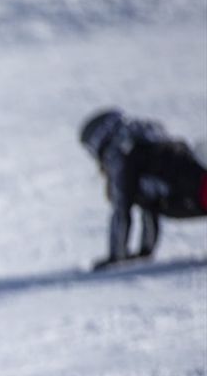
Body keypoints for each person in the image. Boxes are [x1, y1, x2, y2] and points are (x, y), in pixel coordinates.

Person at [79, 108, 207, 271]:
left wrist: (116, 256)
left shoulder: (122, 154)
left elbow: (122, 209)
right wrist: (145, 251)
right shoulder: (151, 137)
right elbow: (150, 202)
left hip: (196, 195)